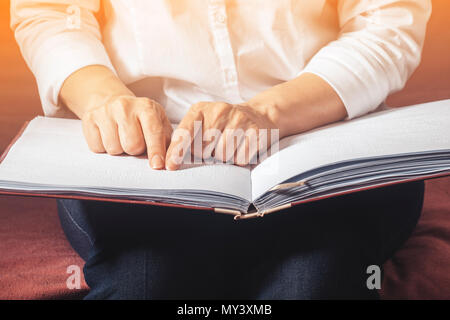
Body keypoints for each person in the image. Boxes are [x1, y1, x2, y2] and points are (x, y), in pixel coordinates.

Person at [11, 0, 431, 299]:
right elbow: (48, 13)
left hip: (321, 132)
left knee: (318, 278)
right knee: (145, 280)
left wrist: (268, 111)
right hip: (144, 158)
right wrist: (103, 99)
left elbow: (386, 22)